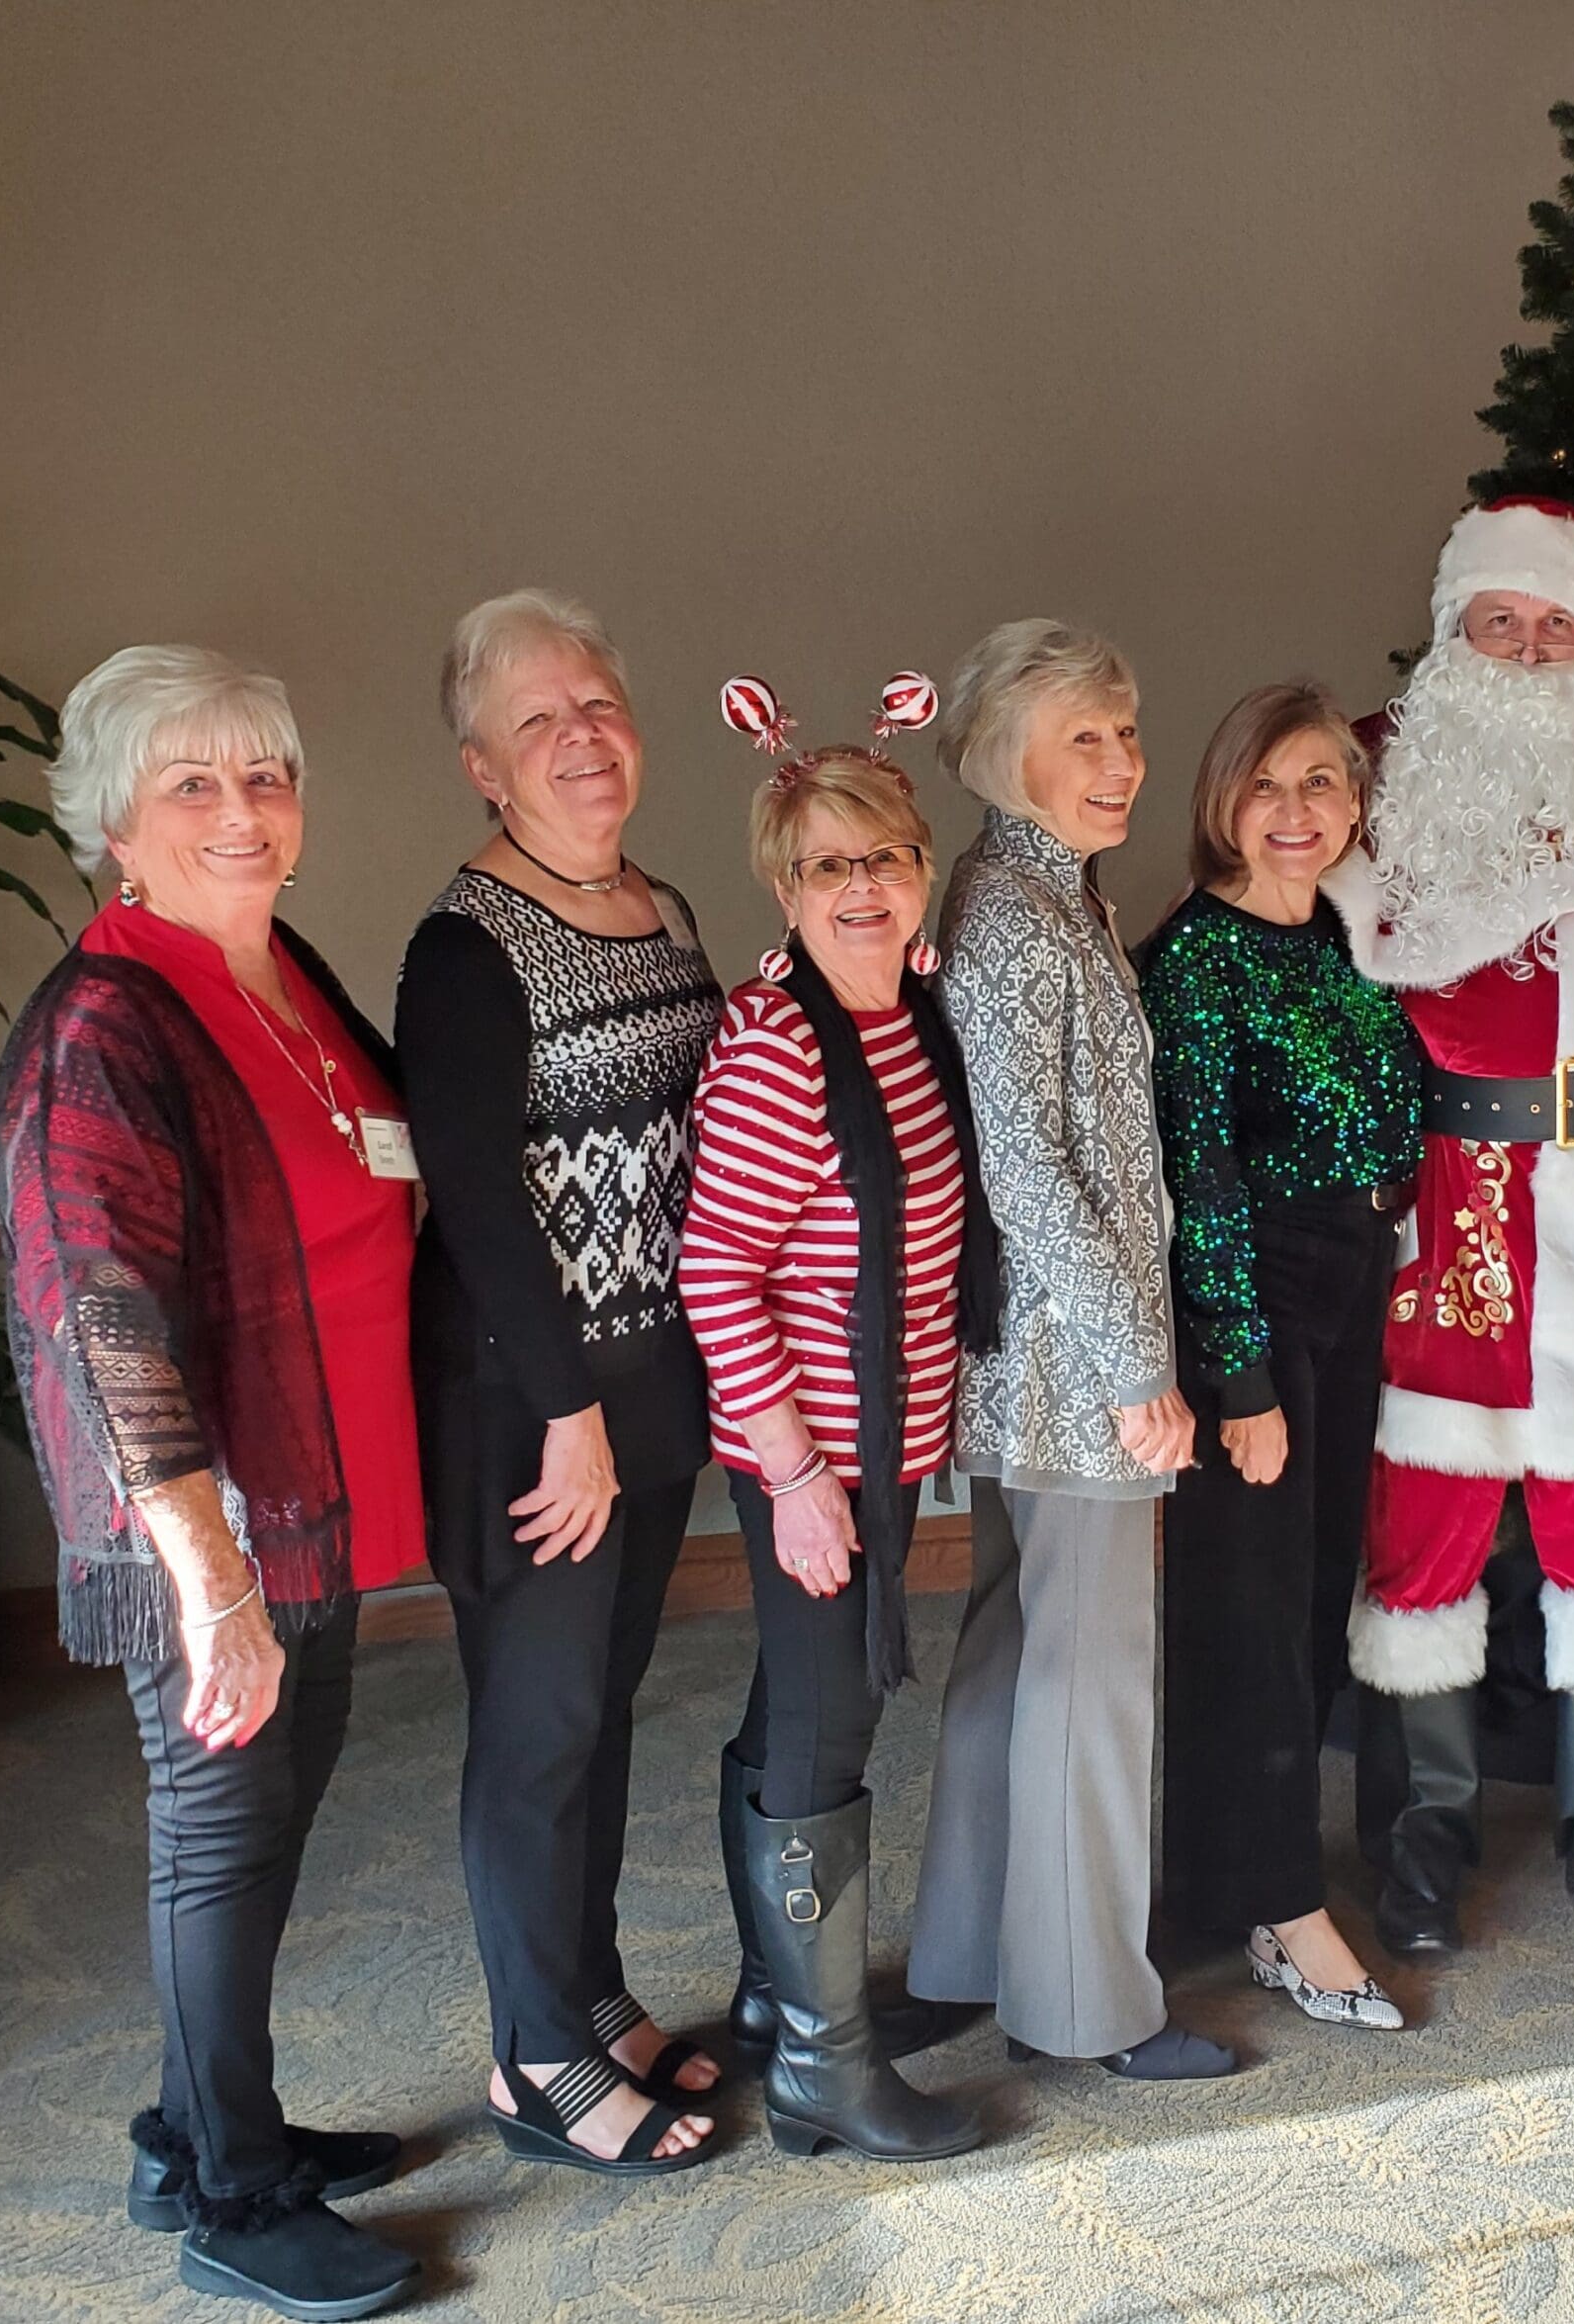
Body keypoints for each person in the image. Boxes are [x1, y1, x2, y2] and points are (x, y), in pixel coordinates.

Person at [0, 647, 421, 2317]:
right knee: (219, 1837)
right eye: (192, 783)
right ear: (115, 821)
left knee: (271, 1819)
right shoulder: (104, 1024)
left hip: (317, 1495)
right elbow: (104, 1318)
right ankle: (231, 2198)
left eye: (264, 774)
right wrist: (210, 1579)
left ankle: (196, 2129)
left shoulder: (276, 967)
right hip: (210, 1531)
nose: (242, 810)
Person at [1324, 499, 1574, 1956]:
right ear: (1453, 636)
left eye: (1559, 625)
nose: (1527, 647)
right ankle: (1422, 1841)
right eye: (1498, 620)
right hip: (1453, 1216)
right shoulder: (1366, 790)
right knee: (1421, 1539)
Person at [396, 590, 723, 2173]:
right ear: (485, 766)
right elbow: (474, 1202)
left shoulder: (665, 906)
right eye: (538, 719)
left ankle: (588, 1995)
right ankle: (534, 2055)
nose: (581, 735)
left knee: (602, 1708)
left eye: (596, 702)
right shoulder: (464, 948)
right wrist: (571, 1416)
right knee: (536, 1726)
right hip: (536, 1408)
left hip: (656, 1385)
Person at [902, 620, 1234, 2080]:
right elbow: (1028, 1173)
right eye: (1082, 737)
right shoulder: (1019, 916)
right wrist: (1135, 1366)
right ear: (1004, 756)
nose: (1122, 762)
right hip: (1070, 1365)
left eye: (1126, 732)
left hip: (1041, 1359)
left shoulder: (1043, 895)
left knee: (1017, 1648)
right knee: (1091, 1678)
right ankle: (1090, 2004)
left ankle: (971, 1954)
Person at [679, 740, 991, 2158]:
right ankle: (822, 2064)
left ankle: (774, 1994)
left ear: (921, 868)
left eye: (885, 857)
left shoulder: (908, 1018)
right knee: (825, 1724)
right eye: (827, 865)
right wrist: (800, 1479)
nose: (861, 886)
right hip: (807, 1452)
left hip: (883, 1443)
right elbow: (716, 1272)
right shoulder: (781, 1049)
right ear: (785, 888)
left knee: (794, 1706)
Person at [1141, 682, 1420, 2030]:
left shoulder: (1353, 931)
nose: (1296, 810)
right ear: (1223, 801)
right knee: (1247, 1613)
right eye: (1268, 784)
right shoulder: (1197, 957)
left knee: (1309, 1600)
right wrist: (1241, 1380)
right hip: (1253, 1296)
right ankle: (1283, 1904)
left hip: (1358, 1277)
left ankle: (1245, 1882)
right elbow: (1194, 1179)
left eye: (1322, 782)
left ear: (1356, 802)